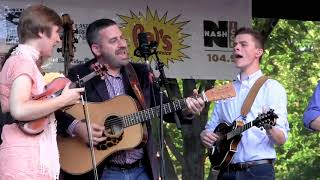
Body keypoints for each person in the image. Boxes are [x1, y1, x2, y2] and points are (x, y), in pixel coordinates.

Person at [55, 18, 205, 180]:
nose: (122, 44)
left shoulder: (140, 74)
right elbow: (56, 110)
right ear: (97, 49)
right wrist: (77, 127)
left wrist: (187, 109)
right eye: (114, 41)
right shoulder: (80, 75)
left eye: (122, 38)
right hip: (101, 171)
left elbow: (164, 107)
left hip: (141, 169)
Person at [0, 4, 84, 180]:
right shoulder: (22, 62)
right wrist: (62, 100)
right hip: (25, 163)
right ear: (40, 31)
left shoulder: (23, 61)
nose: (59, 40)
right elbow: (20, 109)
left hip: (28, 159)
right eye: (55, 33)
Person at [200, 27, 289, 179]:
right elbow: (211, 129)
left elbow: (281, 139)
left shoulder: (273, 87)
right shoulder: (225, 90)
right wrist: (205, 135)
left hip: (258, 171)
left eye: (243, 44)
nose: (236, 47)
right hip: (225, 171)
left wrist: (269, 128)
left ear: (258, 52)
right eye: (235, 44)